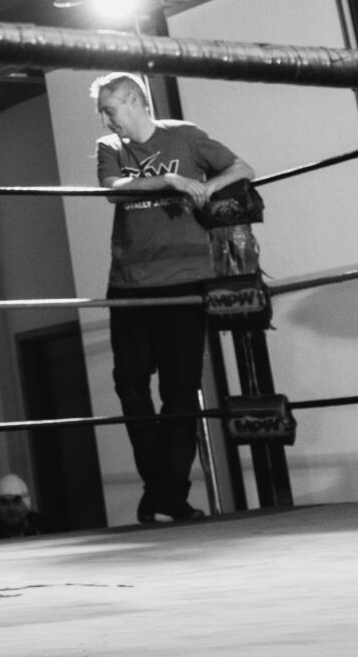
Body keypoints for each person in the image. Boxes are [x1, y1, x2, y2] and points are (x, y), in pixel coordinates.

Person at [91, 72, 252, 524]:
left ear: (134, 100)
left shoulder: (185, 136)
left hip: (184, 280)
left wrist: (207, 189)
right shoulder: (110, 147)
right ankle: (160, 490)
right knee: (130, 387)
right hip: (129, 283)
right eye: (103, 113)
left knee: (179, 391)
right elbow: (112, 189)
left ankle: (167, 494)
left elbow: (243, 168)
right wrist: (171, 182)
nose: (106, 121)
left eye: (109, 110)